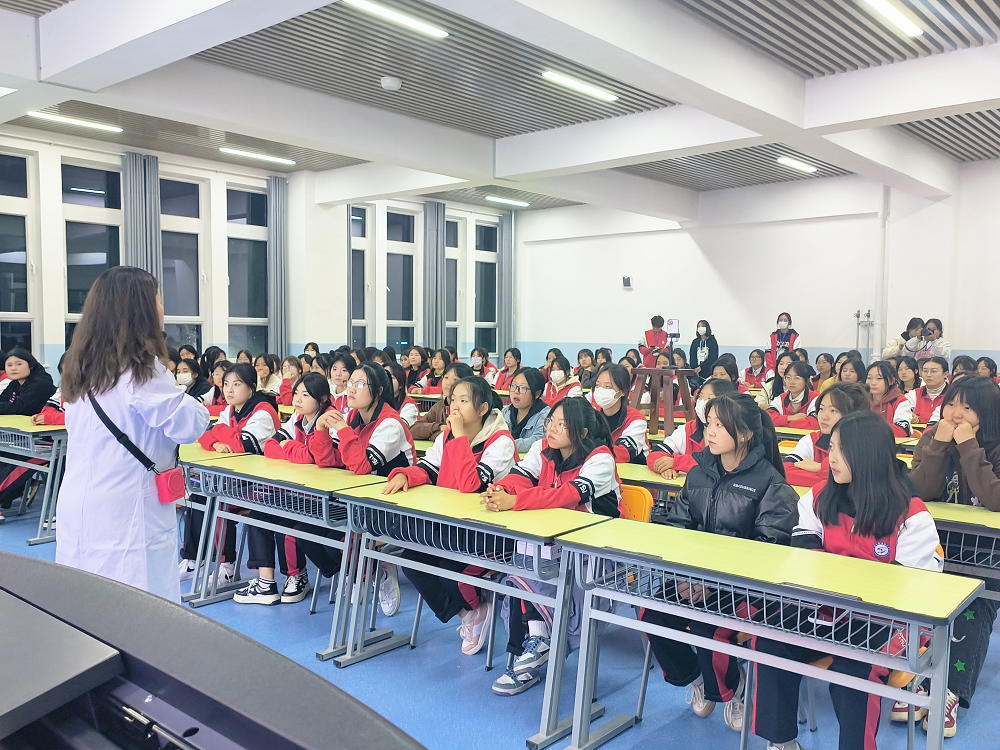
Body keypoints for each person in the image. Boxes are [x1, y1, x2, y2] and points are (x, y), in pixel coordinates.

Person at [753, 411, 942, 750]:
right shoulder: (819, 496)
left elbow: (905, 591)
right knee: (770, 641)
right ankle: (780, 742)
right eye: (831, 447)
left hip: (890, 619)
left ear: (868, 455)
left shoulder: (911, 515)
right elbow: (804, 553)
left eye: (842, 450)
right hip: (828, 607)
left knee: (852, 673)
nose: (832, 457)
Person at [641, 393, 797, 732]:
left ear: (745, 434)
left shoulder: (771, 483)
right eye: (708, 423)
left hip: (748, 590)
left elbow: (770, 551)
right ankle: (696, 677)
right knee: (650, 613)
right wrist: (683, 577)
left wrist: (711, 583)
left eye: (719, 425)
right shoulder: (699, 474)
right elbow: (678, 528)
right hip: (694, 580)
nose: (709, 432)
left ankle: (733, 690)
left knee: (707, 626)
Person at [57, 267, 210, 602]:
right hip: (127, 509)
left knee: (85, 601)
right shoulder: (141, 371)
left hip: (80, 501)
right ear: (142, 310)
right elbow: (190, 424)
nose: (163, 309)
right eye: (158, 299)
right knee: (136, 607)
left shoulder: (80, 368)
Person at [481, 398, 621, 696]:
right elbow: (520, 476)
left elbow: (568, 496)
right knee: (524, 561)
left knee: (528, 564)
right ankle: (535, 644)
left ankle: (532, 651)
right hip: (553, 547)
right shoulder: (543, 448)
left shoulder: (601, 459)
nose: (552, 429)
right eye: (551, 422)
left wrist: (515, 501)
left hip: (593, 555)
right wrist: (501, 490)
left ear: (582, 432)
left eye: (562, 424)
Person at [383, 377, 517, 655]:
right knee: (412, 561)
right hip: (452, 526)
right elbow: (428, 468)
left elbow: (471, 486)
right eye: (452, 399)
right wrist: (405, 475)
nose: (454, 406)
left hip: (488, 533)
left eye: (463, 401)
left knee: (450, 572)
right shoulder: (446, 437)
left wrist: (458, 436)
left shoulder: (500, 442)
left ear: (482, 409)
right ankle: (470, 615)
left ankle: (475, 605)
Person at [906, 375, 1000, 737]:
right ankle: (916, 677)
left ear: (987, 413)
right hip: (937, 543)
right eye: (951, 404)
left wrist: (969, 447)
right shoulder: (933, 437)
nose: (956, 414)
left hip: (987, 553)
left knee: (973, 604)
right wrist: (940, 445)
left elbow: (995, 499)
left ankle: (948, 690)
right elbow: (918, 490)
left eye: (967, 407)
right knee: (913, 600)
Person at [231, 373, 337, 606]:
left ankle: (297, 576)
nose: (297, 399)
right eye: (296, 393)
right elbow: (270, 446)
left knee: (287, 527)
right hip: (295, 491)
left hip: (326, 498)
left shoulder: (331, 421)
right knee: (257, 516)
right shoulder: (296, 419)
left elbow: (318, 458)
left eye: (305, 395)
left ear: (322, 399)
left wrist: (288, 446)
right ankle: (266, 584)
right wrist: (295, 449)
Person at [313, 362, 415, 476]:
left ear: (379, 391)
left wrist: (344, 430)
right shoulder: (350, 416)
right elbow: (327, 461)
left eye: (360, 384)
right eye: (350, 383)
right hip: (358, 484)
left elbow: (362, 466)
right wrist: (320, 429)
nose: (351, 390)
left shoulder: (390, 424)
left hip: (389, 485)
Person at [782, 383, 870, 487]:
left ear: (853, 414)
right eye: (821, 409)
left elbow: (862, 478)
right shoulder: (812, 440)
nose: (824, 416)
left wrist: (820, 467)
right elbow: (784, 471)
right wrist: (832, 478)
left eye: (833, 410)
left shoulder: (867, 443)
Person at [647, 378, 737, 479]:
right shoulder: (688, 429)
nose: (702, 402)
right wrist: (665, 468)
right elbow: (656, 453)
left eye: (709, 398)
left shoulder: (733, 432)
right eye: (700, 397)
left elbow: (718, 465)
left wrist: (676, 463)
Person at [591, 363, 649, 464]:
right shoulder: (592, 415)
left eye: (607, 387)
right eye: (597, 385)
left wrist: (587, 449)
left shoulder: (636, 420)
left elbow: (623, 453)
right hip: (600, 467)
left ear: (623, 391)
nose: (601, 390)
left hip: (632, 469)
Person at [410, 362, 473, 441]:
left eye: (455, 380)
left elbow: (456, 436)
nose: (448, 383)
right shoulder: (440, 406)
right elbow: (413, 430)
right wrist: (439, 427)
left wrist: (434, 435)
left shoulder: (468, 408)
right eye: (446, 377)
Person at [502, 367, 547, 454]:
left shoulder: (545, 416)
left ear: (537, 394)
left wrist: (505, 445)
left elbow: (538, 441)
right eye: (513, 386)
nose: (516, 391)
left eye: (523, 388)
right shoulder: (506, 412)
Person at [0, 349, 56, 415]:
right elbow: (2, 399)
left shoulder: (41, 383)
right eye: (9, 365)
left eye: (19, 364)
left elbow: (18, 408)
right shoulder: (15, 383)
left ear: (31, 365)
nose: (13, 368)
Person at [865, 361, 913, 436]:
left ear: (892, 380)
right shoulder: (862, 400)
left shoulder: (901, 402)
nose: (873, 382)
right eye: (869, 378)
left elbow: (902, 429)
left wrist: (869, 431)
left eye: (879, 378)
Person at [766, 361, 818, 429]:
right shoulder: (781, 398)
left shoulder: (815, 398)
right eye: (788, 377)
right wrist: (790, 418)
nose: (791, 382)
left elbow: (813, 423)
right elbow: (768, 418)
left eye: (797, 378)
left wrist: (781, 422)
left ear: (807, 380)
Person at [907, 356, 949, 426]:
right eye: (925, 371)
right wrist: (909, 416)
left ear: (945, 374)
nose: (928, 375)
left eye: (934, 371)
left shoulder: (953, 395)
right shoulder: (914, 394)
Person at [385, 361, 419, 427]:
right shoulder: (377, 403)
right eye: (384, 377)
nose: (386, 381)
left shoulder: (409, 406)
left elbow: (398, 428)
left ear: (401, 384)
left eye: (391, 378)